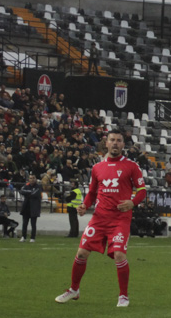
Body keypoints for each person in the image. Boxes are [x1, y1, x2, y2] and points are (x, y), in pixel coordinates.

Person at [55, 128, 146, 307]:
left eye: (119, 140)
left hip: (120, 219)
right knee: (81, 252)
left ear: (123, 144)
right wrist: (85, 206)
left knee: (119, 255)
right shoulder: (97, 167)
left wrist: (133, 202)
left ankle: (123, 296)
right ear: (106, 143)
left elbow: (142, 191)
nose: (115, 143)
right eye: (112, 140)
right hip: (99, 218)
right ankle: (74, 289)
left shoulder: (131, 166)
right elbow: (92, 192)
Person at [19, 174, 42, 243]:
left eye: (33, 178)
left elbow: (35, 194)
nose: (31, 179)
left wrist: (27, 193)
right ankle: (23, 236)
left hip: (34, 207)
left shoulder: (38, 187)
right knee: (24, 223)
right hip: (26, 207)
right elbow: (22, 191)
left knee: (33, 224)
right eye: (30, 178)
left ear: (35, 179)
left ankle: (32, 237)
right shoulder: (26, 186)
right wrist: (29, 192)